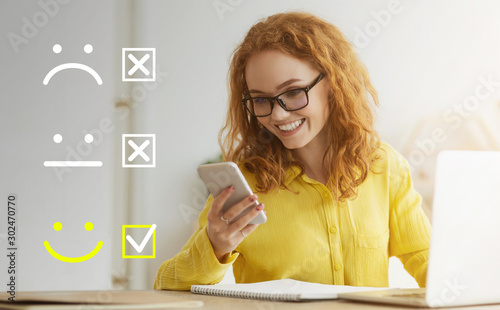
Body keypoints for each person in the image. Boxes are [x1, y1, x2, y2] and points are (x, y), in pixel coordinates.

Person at [154, 12, 431, 290]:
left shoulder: (385, 166)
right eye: (261, 99)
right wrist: (214, 246)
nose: (278, 114)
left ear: (334, 84)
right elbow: (166, 285)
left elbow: (426, 259)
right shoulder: (246, 185)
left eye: (294, 92)